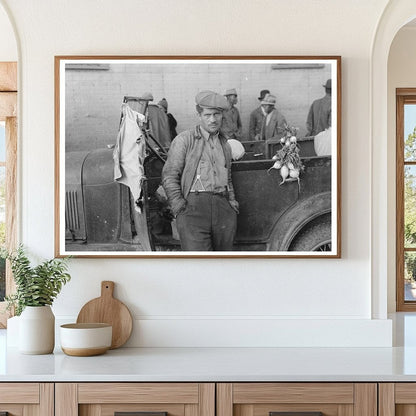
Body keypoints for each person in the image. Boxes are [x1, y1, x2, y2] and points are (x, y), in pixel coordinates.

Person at [162, 90, 239, 251]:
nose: (213, 120)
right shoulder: (185, 140)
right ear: (199, 115)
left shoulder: (225, 144)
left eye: (217, 114)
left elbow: (228, 176)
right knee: (199, 265)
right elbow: (170, 175)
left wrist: (231, 202)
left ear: (222, 115)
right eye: (207, 115)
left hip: (223, 208)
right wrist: (179, 207)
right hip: (193, 209)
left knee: (222, 264)